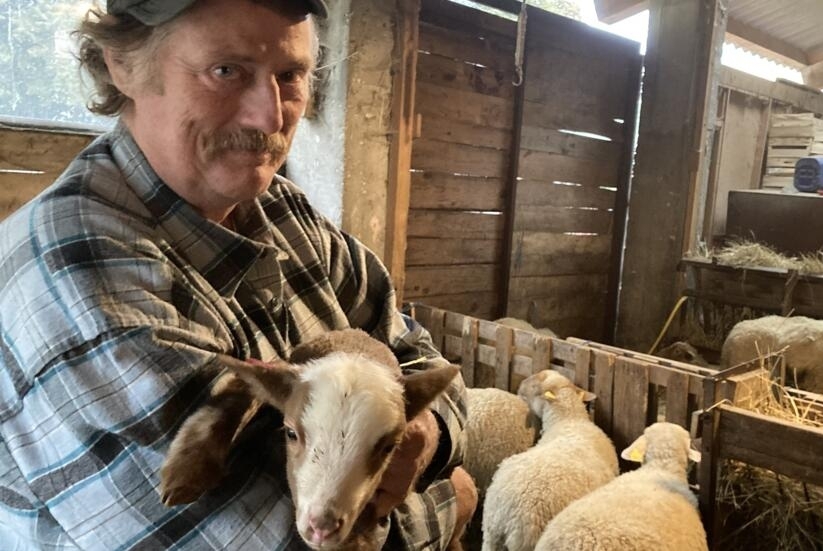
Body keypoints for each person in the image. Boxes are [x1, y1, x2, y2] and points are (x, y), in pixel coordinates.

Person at [0, 0, 475, 549]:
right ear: (123, 65)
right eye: (226, 71)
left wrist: (429, 437)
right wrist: (455, 493)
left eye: (290, 75)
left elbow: (426, 362)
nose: (270, 117)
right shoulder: (77, 274)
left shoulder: (285, 213)